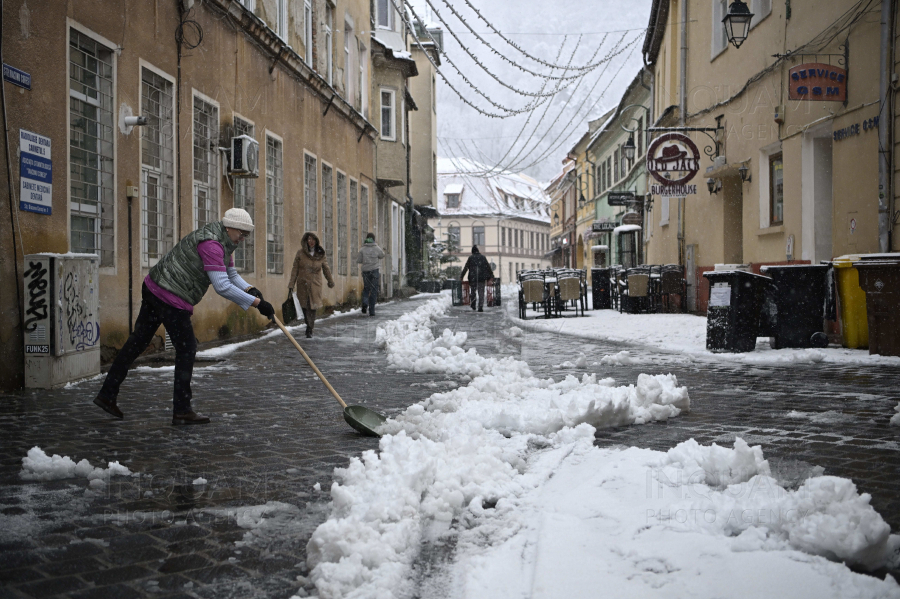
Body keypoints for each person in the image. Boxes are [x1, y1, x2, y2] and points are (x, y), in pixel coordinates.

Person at [93, 208, 275, 425]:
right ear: (229, 227)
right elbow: (222, 286)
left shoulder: (222, 241)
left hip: (154, 287)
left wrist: (250, 290)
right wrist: (257, 304)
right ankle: (181, 410)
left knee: (137, 342)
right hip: (171, 296)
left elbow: (230, 273)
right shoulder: (212, 244)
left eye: (246, 235)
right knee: (187, 349)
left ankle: (107, 393)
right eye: (242, 233)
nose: (243, 239)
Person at [288, 231, 335, 338]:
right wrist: (291, 284)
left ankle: (310, 328)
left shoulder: (320, 254)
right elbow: (295, 269)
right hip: (302, 283)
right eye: (309, 239)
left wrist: (330, 281)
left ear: (316, 241)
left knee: (313, 306)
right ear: (306, 240)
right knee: (304, 305)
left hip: (315, 283)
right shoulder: (300, 253)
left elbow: (326, 268)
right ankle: (307, 322)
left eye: (313, 239)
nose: (311, 241)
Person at [356, 232, 385, 317]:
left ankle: (365, 303)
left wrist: (366, 259)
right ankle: (372, 311)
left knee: (366, 289)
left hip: (366, 271)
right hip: (374, 271)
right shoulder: (377, 248)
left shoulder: (362, 249)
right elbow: (382, 255)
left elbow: (359, 260)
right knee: (374, 290)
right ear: (373, 239)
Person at [460, 245, 494, 312]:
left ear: (472, 251)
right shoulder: (483, 257)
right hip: (481, 278)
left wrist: (462, 276)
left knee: (473, 292)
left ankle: (473, 305)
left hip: (473, 279)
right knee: (481, 293)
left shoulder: (471, 258)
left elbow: (466, 268)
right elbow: (488, 267)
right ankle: (480, 306)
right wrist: (492, 276)